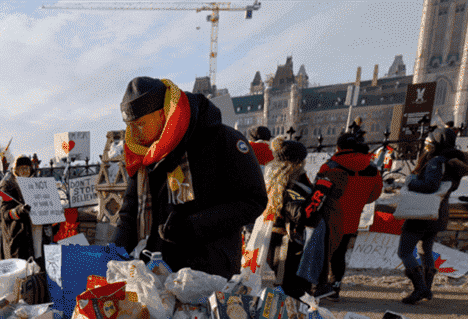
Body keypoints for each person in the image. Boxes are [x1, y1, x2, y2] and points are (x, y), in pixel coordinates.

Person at [112, 76, 267, 278]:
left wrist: (194, 225)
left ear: (163, 114)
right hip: (155, 272)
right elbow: (129, 213)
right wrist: (112, 254)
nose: (132, 133)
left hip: (207, 270)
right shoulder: (142, 153)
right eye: (129, 125)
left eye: (140, 124)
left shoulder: (222, 140)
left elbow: (253, 200)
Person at [397, 127, 468, 304]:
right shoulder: (454, 162)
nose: (427, 146)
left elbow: (430, 185)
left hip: (421, 212)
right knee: (427, 250)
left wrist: (411, 182)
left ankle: (420, 289)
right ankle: (426, 289)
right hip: (439, 212)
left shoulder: (436, 161)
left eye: (430, 142)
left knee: (405, 251)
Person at [311, 132, 382, 300]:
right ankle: (335, 288)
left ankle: (321, 287)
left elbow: (318, 192)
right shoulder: (372, 168)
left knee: (323, 252)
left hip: (329, 215)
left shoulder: (330, 166)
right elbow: (375, 194)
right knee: (340, 253)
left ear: (338, 147)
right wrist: (357, 201)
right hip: (352, 217)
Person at [264, 137, 315, 299]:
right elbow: (301, 215)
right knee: (292, 291)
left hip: (277, 239)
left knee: (286, 286)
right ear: (298, 162)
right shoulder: (292, 185)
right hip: (288, 244)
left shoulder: (275, 180)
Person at [0, 155, 35, 260]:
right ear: (15, 170)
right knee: (19, 271)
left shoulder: (35, 185)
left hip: (34, 235)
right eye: (21, 168)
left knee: (35, 270)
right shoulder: (8, 185)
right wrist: (20, 210)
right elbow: (4, 213)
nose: (24, 171)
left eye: (27, 168)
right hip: (18, 237)